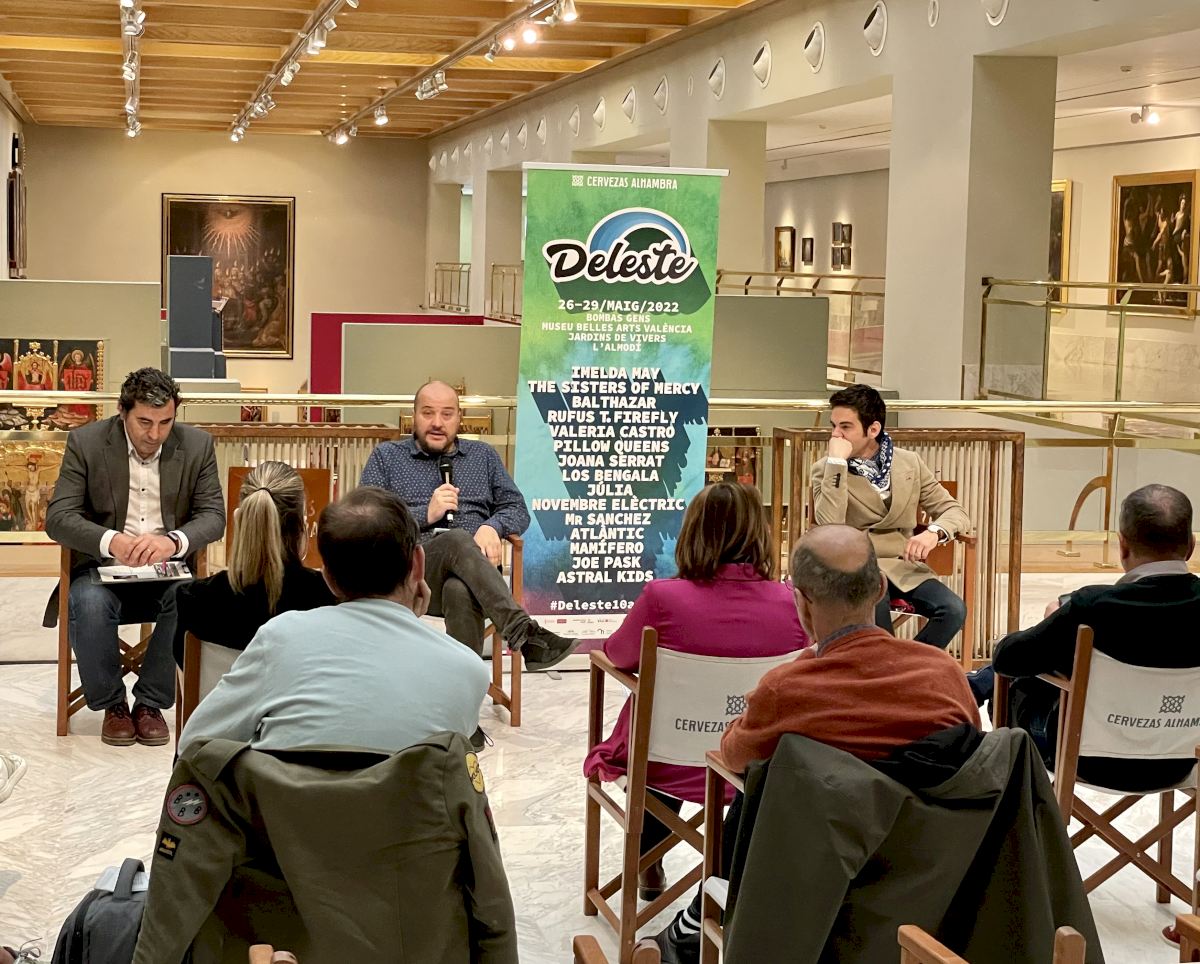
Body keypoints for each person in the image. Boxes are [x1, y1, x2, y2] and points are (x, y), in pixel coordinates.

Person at [653, 525, 978, 963]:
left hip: (815, 907)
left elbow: (733, 755)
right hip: (932, 898)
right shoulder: (945, 675)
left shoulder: (788, 690)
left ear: (802, 602)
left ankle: (695, 925)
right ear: (881, 588)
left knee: (759, 784)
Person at [583, 482, 808, 900]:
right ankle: (728, 875)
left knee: (655, 726)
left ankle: (648, 861)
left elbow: (618, 655)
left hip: (664, 764)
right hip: (752, 766)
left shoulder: (663, 598)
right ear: (759, 534)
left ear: (692, 533)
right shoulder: (791, 603)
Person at [178, 486, 489, 756]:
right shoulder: (467, 670)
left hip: (289, 806)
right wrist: (409, 623)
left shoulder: (278, 639)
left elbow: (195, 744)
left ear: (326, 574)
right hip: (407, 808)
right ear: (418, 564)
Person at [43, 368, 225, 747]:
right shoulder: (87, 442)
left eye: (165, 422)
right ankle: (113, 705)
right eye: (144, 422)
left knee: (192, 597)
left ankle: (150, 703)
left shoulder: (197, 445)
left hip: (167, 570)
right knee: (88, 603)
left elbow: (213, 516)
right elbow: (58, 518)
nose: (155, 434)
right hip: (102, 570)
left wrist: (173, 542)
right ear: (122, 411)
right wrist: (112, 542)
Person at [983, 484, 1200, 793]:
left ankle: (1023, 813)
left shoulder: (1092, 606)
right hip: (1184, 761)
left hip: (1089, 762)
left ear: (1122, 547)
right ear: (1191, 546)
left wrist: (1054, 623)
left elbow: (1006, 659)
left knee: (1012, 688)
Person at [359, 379, 577, 671]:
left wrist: (492, 526)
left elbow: (517, 508)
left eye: (447, 414)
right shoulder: (387, 457)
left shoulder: (483, 456)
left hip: (477, 579)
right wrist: (426, 513)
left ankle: (463, 695)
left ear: (459, 417)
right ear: (414, 416)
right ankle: (523, 632)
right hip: (411, 574)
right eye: (428, 413)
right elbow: (367, 521)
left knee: (459, 589)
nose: (437, 423)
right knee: (458, 539)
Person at [811, 384, 970, 648]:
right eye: (834, 426)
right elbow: (829, 526)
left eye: (845, 427)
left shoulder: (909, 463)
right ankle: (892, 666)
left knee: (953, 610)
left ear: (873, 429)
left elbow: (955, 511)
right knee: (877, 604)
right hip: (855, 569)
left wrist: (934, 533)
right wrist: (836, 464)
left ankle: (909, 667)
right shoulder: (826, 469)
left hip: (902, 566)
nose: (835, 435)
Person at [172, 461, 336, 667]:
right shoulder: (327, 600)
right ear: (302, 524)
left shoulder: (196, 600)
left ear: (240, 519)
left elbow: (186, 668)